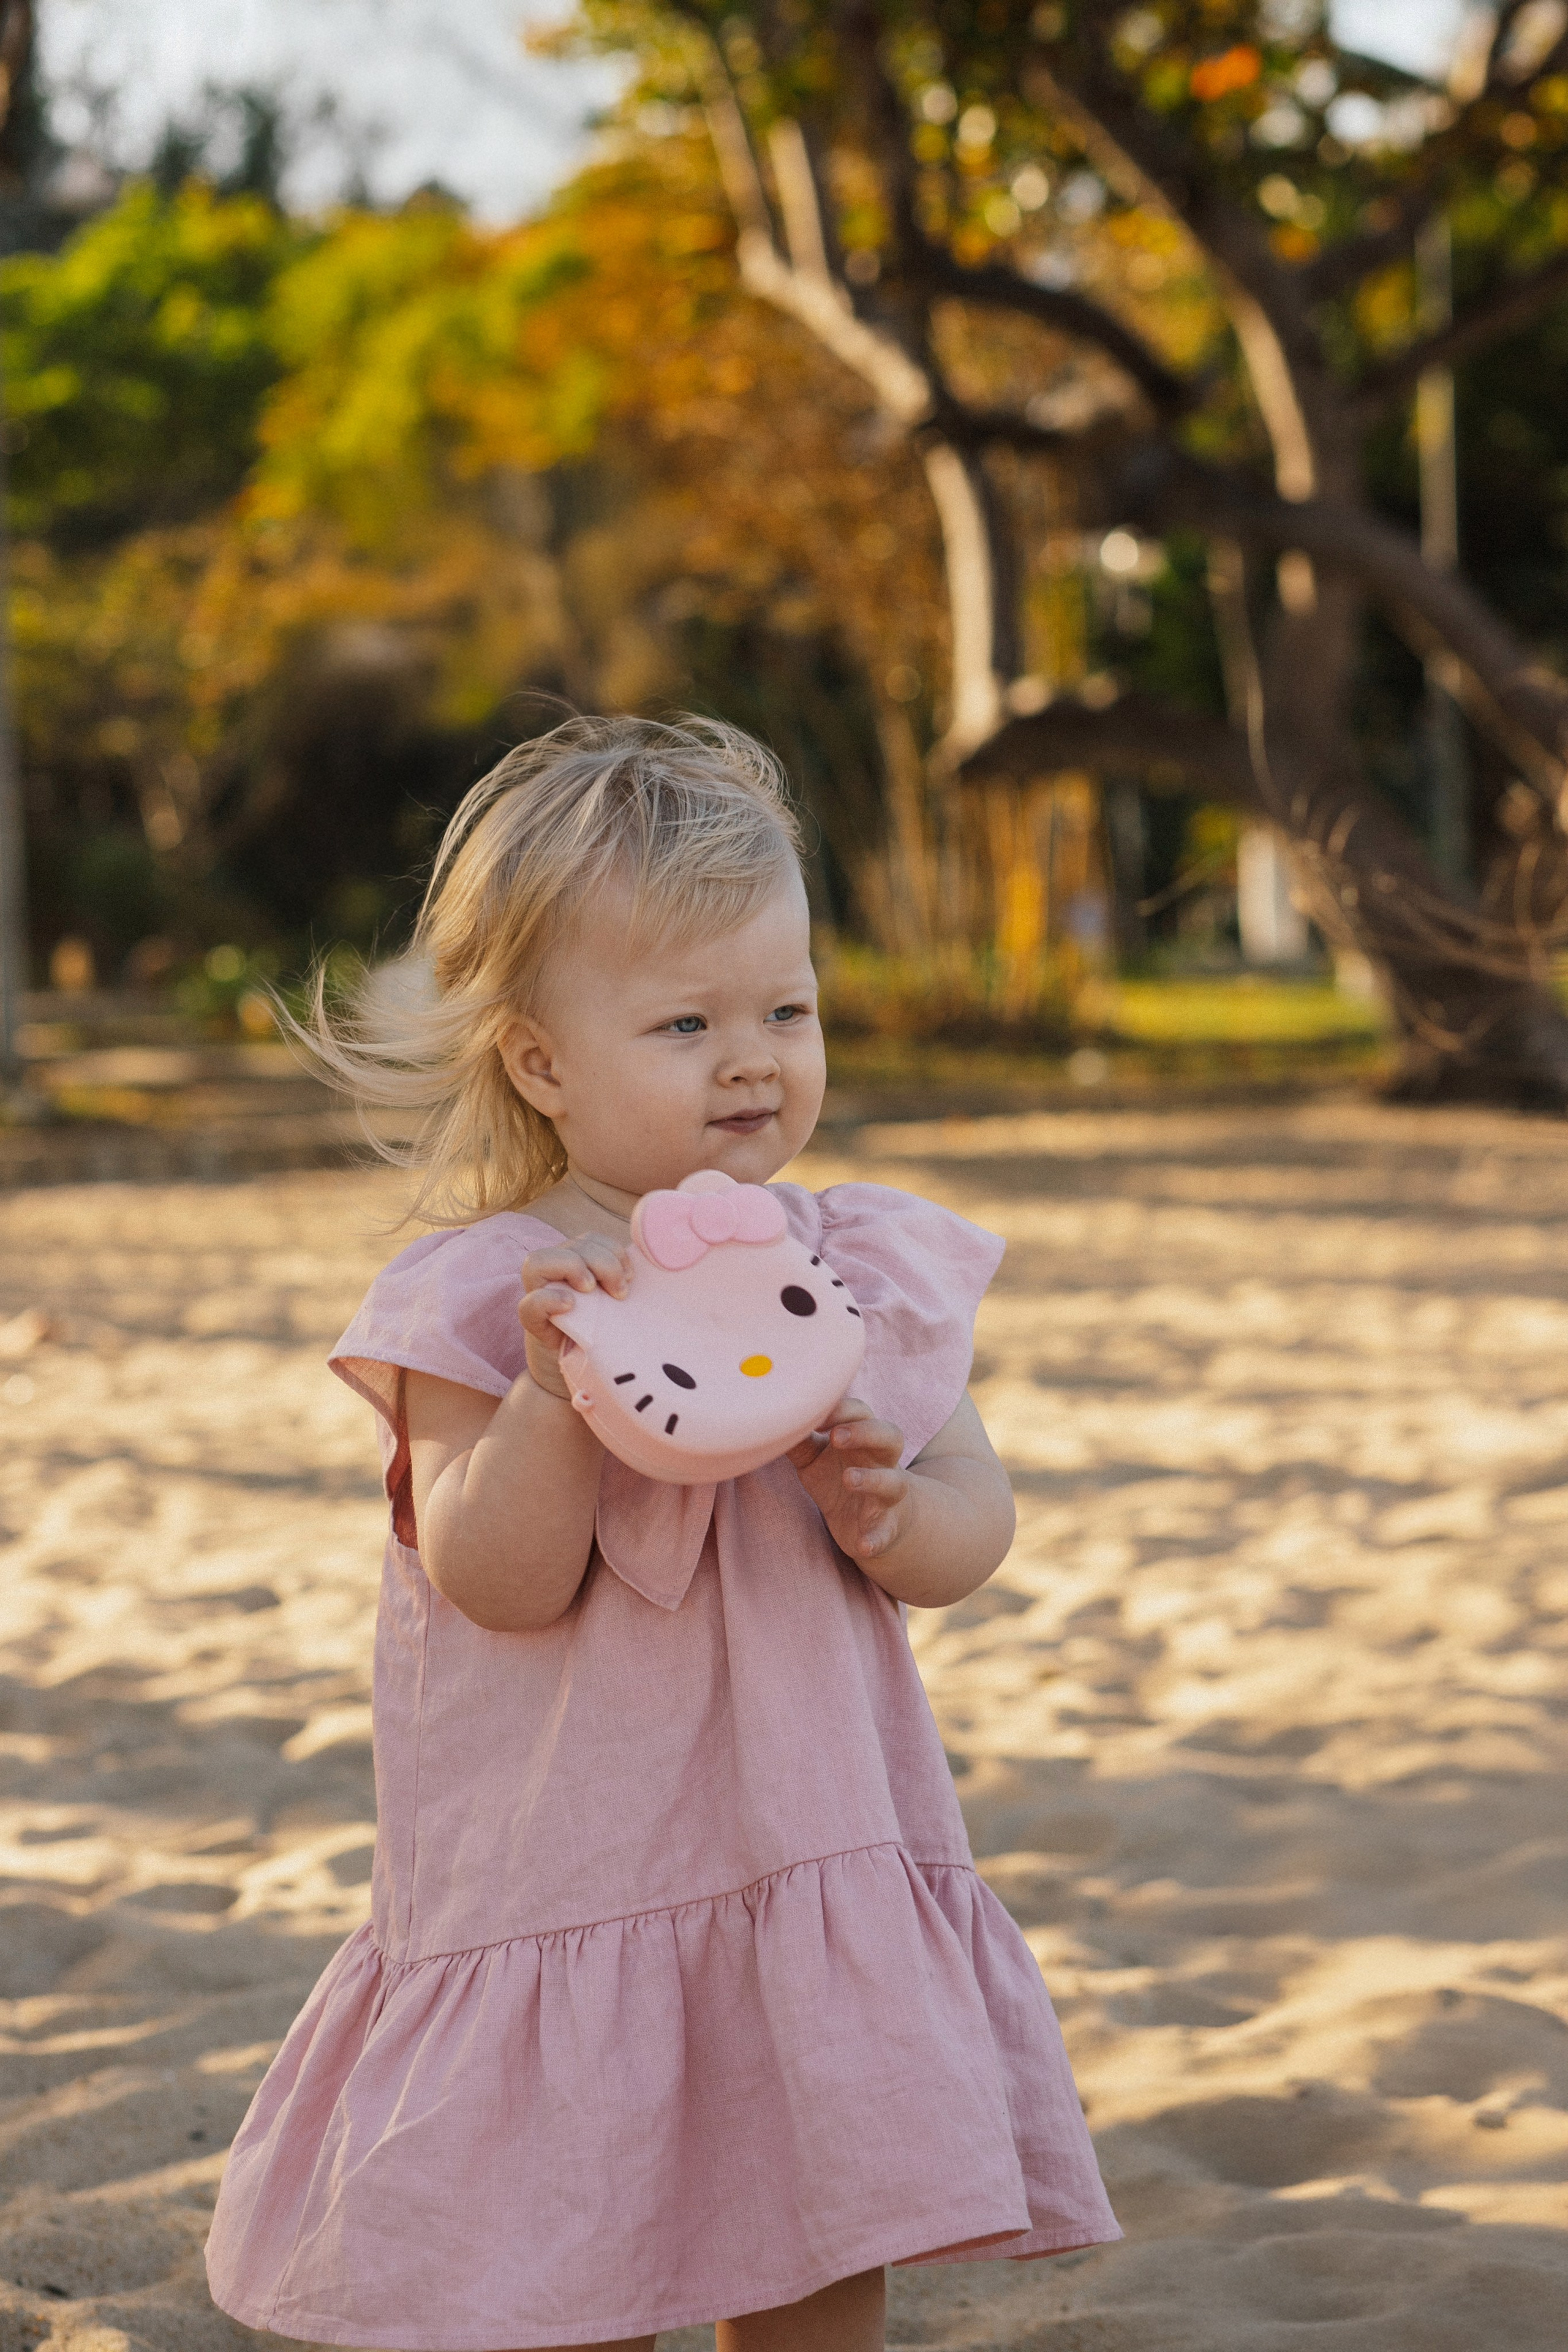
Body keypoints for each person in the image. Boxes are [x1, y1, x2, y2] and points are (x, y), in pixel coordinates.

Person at [205, 715, 1118, 2352]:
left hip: (802, 1852)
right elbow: (491, 1575)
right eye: (687, 1021)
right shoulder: (486, 1301)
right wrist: (560, 1407)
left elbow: (978, 1516)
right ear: (542, 1061)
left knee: (819, 2211)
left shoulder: (854, 1271)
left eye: (788, 1006)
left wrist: (901, 1510)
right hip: (573, 1878)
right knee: (572, 2248)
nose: (755, 1057)